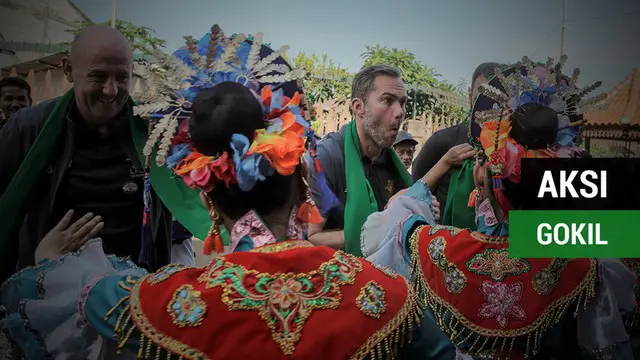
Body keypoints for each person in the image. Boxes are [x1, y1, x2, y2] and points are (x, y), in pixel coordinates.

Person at [0, 25, 460, 360]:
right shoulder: (385, 295)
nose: (399, 113)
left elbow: (38, 296)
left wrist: (48, 261)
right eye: (390, 101)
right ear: (302, 174)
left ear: (206, 198)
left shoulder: (169, 305)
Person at [360, 56, 637, 359]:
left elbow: (395, 217)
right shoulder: (585, 263)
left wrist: (440, 171)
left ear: (488, 173)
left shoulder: (436, 248)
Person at [0, 26, 207, 281]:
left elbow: (198, 194)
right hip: (48, 291)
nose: (111, 90)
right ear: (68, 70)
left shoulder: (151, 129)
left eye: (122, 77)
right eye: (98, 77)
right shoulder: (29, 128)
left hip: (132, 293)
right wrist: (38, 258)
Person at [306, 65, 433, 256]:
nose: (399, 112)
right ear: (359, 107)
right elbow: (310, 238)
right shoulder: (327, 158)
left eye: (402, 102)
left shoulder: (393, 164)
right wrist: (384, 226)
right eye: (388, 101)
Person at [411, 62, 505, 229]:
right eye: (483, 94)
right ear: (470, 96)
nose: (489, 103)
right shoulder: (442, 141)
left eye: (497, 96)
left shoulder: (512, 147)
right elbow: (414, 192)